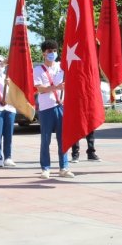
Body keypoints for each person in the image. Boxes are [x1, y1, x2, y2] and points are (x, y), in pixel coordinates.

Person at [34, 40, 73, 179]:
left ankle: (64, 167)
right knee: (46, 139)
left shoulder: (62, 67)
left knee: (63, 139)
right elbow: (39, 89)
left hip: (61, 107)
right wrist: (56, 88)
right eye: (50, 51)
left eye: (55, 51)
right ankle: (45, 168)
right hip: (46, 108)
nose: (52, 54)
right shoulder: (38, 70)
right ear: (44, 53)